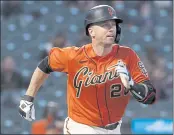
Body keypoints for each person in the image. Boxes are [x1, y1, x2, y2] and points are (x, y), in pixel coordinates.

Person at [19, 5, 156, 134]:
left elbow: (150, 96)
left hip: (114, 128)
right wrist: (28, 97)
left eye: (113, 24)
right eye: (105, 25)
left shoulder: (128, 55)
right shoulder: (73, 56)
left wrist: (133, 85)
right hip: (81, 127)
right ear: (91, 31)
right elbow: (45, 65)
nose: (111, 28)